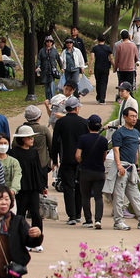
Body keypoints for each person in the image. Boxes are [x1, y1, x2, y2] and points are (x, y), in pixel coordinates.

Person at [109, 107, 140, 231]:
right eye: (132, 116)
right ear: (125, 117)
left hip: (131, 168)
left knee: (135, 195)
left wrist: (137, 167)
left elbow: (136, 150)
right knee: (119, 195)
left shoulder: (135, 133)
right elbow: (116, 149)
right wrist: (118, 166)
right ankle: (118, 221)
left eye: (135, 116)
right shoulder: (119, 133)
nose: (134, 118)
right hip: (122, 168)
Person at [51, 96, 87, 225]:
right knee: (79, 187)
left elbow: (55, 142)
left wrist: (54, 159)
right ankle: (78, 214)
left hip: (65, 158)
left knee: (68, 187)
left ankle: (71, 216)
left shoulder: (60, 122)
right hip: (80, 160)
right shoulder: (83, 123)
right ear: (76, 108)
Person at [11, 124, 46, 242]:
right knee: (20, 213)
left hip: (33, 188)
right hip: (21, 188)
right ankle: (20, 238)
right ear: (22, 139)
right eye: (29, 137)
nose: (32, 139)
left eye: (32, 137)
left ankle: (37, 238)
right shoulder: (14, 153)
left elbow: (37, 169)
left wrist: (42, 186)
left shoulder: (33, 152)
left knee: (36, 213)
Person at [76, 115, 108, 229]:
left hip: (86, 171)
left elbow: (77, 155)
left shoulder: (83, 138)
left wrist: (83, 162)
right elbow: (104, 157)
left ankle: (88, 220)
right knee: (98, 196)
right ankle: (98, 220)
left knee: (85, 196)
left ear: (88, 125)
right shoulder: (103, 140)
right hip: (99, 171)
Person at [37, 35, 62, 99]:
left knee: (51, 85)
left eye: (50, 41)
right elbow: (39, 59)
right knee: (46, 86)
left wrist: (61, 67)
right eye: (47, 41)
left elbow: (58, 59)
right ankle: (47, 98)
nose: (49, 43)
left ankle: (52, 98)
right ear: (45, 42)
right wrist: (38, 67)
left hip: (52, 70)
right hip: (44, 70)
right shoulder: (42, 51)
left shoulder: (54, 51)